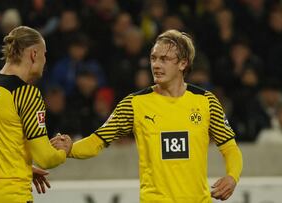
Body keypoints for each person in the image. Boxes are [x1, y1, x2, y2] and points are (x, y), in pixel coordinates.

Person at [52, 29, 243, 202]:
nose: (156, 65)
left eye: (164, 59)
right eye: (153, 58)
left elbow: (230, 148)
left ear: (183, 63)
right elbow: (97, 141)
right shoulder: (134, 104)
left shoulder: (206, 101)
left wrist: (232, 176)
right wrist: (71, 149)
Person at [0, 26, 72, 203]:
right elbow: (46, 158)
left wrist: (24, 168)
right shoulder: (26, 93)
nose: (45, 60)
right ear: (34, 54)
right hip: (11, 196)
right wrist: (64, 151)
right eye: (44, 54)